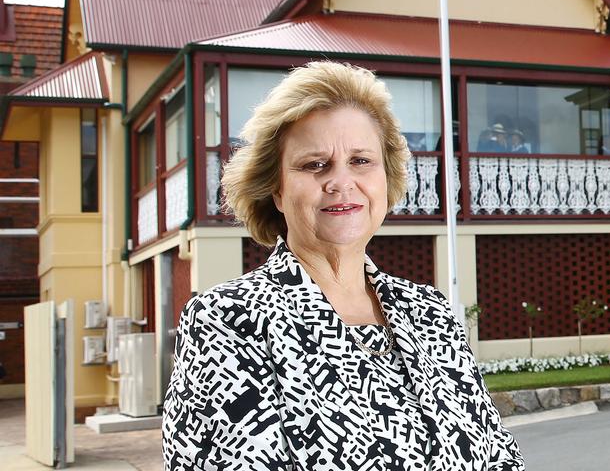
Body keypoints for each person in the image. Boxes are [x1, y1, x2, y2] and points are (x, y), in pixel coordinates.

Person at [162, 62, 523, 470]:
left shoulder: (431, 313)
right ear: (277, 189)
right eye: (315, 164)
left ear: (385, 178)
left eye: (361, 161)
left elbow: (500, 458)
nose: (340, 182)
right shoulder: (229, 321)